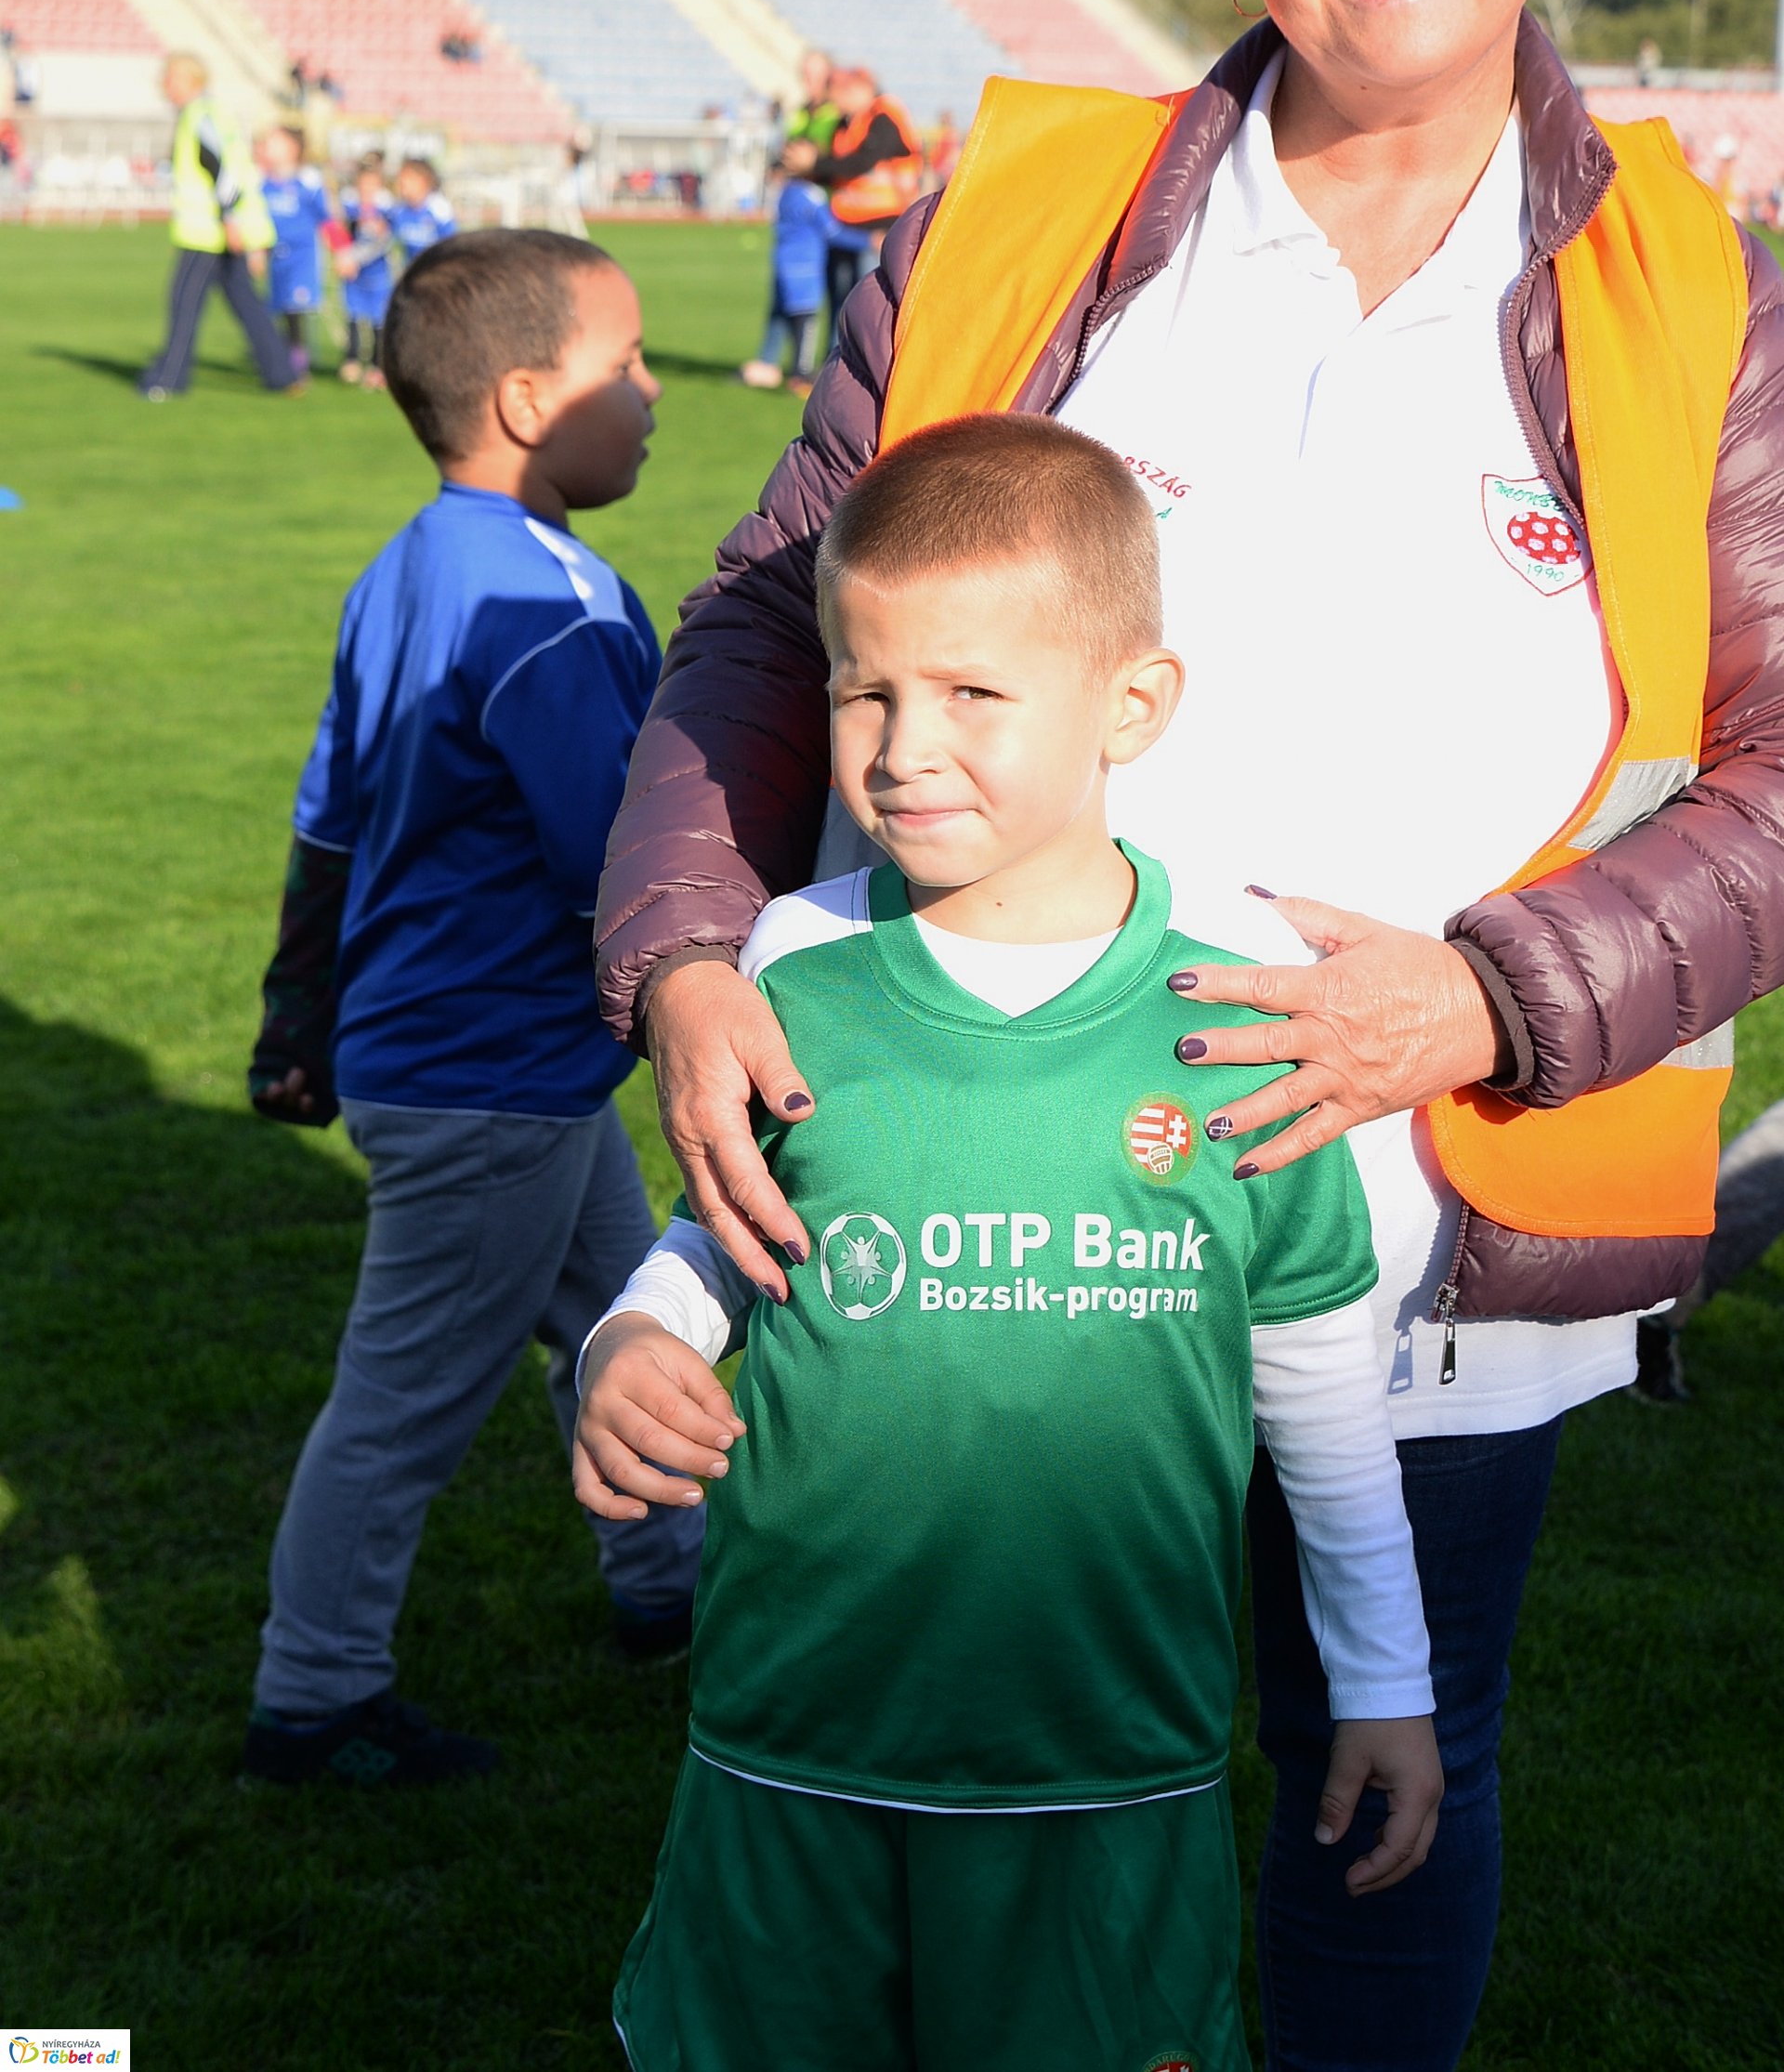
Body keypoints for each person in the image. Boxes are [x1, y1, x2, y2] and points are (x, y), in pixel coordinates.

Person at [592, 0, 1784, 2072]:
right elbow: (753, 627)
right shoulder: (1035, 220)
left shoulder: (1705, 294)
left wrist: (1486, 991)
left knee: (1393, 1775)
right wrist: (693, 952)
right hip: (990, 1180)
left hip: (1442, 1212)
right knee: (964, 1787)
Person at [581, 416, 1440, 2071]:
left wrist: (1383, 1681)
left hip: (1105, 1764)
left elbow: (1327, 1401)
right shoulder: (791, 962)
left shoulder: (1242, 1001)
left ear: (1133, 704)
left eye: (973, 694)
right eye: (862, 688)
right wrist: (640, 1333)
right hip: (787, 1741)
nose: (904, 748)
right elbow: (724, 1233)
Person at [242, 229, 703, 1787]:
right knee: (405, 1400)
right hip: (487, 1072)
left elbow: (327, 812)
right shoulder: (552, 605)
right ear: (522, 398)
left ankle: (674, 1592)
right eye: (625, 364)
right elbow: (620, 854)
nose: (654, 393)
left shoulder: (413, 562)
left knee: (620, 1319)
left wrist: (293, 1010)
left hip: (494, 1064)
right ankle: (311, 1699)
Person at [138, 53, 299, 401]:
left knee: (184, 302)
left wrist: (230, 220)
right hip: (222, 228)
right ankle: (282, 373)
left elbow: (222, 172)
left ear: (189, 81)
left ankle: (168, 379)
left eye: (170, 80)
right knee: (245, 301)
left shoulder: (199, 116)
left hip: (208, 233)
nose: (165, 88)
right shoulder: (211, 113)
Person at [784, 62, 924, 346]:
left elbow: (860, 162)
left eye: (840, 91)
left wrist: (814, 162)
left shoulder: (884, 116)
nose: (835, 98)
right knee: (841, 301)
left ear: (862, 89)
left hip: (882, 227)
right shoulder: (845, 122)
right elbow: (838, 169)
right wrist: (805, 166)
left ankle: (866, 374)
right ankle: (834, 368)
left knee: (868, 306)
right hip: (845, 225)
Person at [739, 170, 829, 394]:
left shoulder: (787, 192)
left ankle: (769, 366)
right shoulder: (806, 194)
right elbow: (831, 228)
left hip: (786, 261)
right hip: (803, 265)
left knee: (782, 314)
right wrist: (866, 239)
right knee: (804, 317)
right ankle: (802, 375)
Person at [254, 122, 331, 375]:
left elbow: (326, 218)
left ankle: (297, 362)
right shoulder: (262, 181)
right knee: (277, 308)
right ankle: (282, 355)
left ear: (292, 148)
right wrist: (255, 250)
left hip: (302, 258)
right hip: (275, 256)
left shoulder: (307, 180)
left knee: (295, 307)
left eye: (274, 141)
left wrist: (343, 252)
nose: (267, 146)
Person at [335, 153, 397, 387]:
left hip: (377, 273)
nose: (367, 189)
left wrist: (356, 258)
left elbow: (386, 241)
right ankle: (351, 359)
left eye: (372, 184)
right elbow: (342, 233)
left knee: (377, 321)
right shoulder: (349, 204)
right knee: (352, 315)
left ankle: (377, 364)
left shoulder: (387, 207)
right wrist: (343, 257)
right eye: (363, 183)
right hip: (353, 273)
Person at [388, 153, 457, 266]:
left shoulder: (439, 210)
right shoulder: (398, 210)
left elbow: (451, 249)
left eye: (407, 177)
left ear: (423, 180)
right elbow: (384, 239)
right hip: (413, 274)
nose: (401, 182)